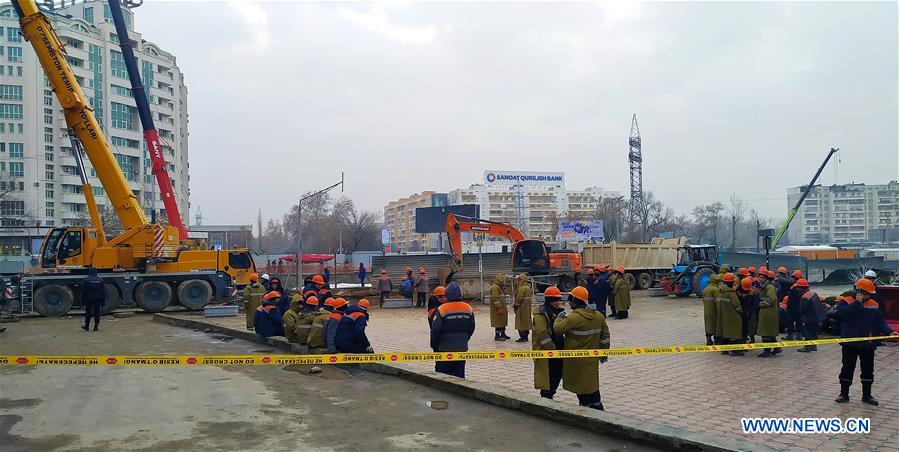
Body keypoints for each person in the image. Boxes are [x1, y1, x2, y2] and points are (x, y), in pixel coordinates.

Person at [835, 279, 898, 405]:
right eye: (866, 293)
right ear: (858, 291)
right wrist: (858, 303)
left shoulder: (874, 304)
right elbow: (843, 315)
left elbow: (880, 321)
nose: (868, 296)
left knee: (868, 370)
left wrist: (889, 331)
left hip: (868, 343)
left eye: (869, 293)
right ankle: (844, 393)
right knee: (847, 368)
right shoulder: (845, 301)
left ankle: (867, 395)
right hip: (850, 343)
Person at [554, 285, 610, 410]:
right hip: (592, 359)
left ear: (575, 301)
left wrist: (559, 318)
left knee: (581, 389)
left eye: (570, 299)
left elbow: (558, 329)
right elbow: (605, 337)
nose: (568, 302)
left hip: (576, 361)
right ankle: (598, 409)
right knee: (592, 386)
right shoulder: (598, 316)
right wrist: (604, 353)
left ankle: (586, 411)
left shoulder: (574, 317)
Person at [430, 282, 475, 378]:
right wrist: (464, 339)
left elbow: (435, 330)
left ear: (447, 295)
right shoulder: (468, 308)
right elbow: (471, 327)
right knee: (459, 375)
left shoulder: (442, 309)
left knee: (443, 376)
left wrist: (434, 345)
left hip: (444, 348)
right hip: (462, 347)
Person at [532, 286, 565, 399]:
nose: (558, 302)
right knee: (549, 376)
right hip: (547, 352)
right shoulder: (541, 314)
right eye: (555, 300)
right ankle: (546, 396)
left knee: (557, 374)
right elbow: (542, 333)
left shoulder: (558, 312)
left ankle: (550, 393)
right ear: (549, 300)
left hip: (558, 350)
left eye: (559, 300)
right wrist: (552, 349)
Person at [717, 273, 745, 356]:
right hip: (733, 316)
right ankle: (735, 350)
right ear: (731, 283)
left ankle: (724, 350)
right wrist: (742, 314)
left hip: (723, 316)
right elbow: (737, 306)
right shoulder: (731, 294)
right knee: (734, 333)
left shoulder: (721, 292)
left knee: (725, 333)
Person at [756, 270, 781, 357]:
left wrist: (760, 304)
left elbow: (771, 299)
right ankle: (777, 348)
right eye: (760, 277)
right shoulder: (763, 287)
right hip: (766, 313)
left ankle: (767, 351)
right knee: (769, 332)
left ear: (766, 278)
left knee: (766, 332)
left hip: (768, 313)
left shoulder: (770, 287)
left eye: (762, 277)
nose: (760, 279)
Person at [794, 279, 821, 353]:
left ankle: (807, 347)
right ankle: (813, 346)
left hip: (808, 318)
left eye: (797, 287)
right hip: (816, 317)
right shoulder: (813, 293)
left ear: (801, 288)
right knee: (813, 332)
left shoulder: (805, 296)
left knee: (807, 332)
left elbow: (802, 309)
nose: (796, 289)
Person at [80, 267, 105, 332]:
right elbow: (102, 292)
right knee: (97, 313)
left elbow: (83, 292)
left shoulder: (86, 280)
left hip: (89, 299)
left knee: (88, 313)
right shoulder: (101, 280)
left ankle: (87, 326)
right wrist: (103, 302)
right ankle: (96, 327)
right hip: (98, 299)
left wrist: (82, 302)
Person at [736, 277, 758, 343]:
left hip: (749, 311)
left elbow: (754, 303)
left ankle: (744, 341)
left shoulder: (753, 291)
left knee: (747, 327)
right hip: (739, 312)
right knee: (740, 328)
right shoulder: (737, 290)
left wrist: (750, 312)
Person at [489, 274, 510, 341]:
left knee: (502, 321)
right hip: (497, 309)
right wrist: (499, 307)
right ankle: (497, 335)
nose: (503, 282)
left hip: (502, 307)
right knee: (498, 322)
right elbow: (495, 298)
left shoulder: (499, 287)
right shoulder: (495, 287)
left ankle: (503, 333)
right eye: (502, 280)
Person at [513, 274, 534, 342]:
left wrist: (516, 306)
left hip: (521, 307)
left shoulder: (521, 288)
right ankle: (526, 336)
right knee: (526, 321)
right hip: (527, 307)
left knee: (520, 321)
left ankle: (523, 337)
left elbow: (519, 298)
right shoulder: (527, 287)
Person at [702, 274, 721, 345]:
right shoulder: (716, 289)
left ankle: (708, 340)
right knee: (716, 325)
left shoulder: (705, 289)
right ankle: (716, 340)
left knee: (708, 324)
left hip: (707, 310)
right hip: (715, 311)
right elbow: (718, 301)